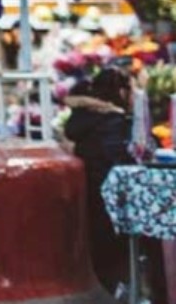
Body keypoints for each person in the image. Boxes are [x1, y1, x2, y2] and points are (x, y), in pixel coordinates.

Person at [64, 68, 132, 296]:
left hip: (92, 194)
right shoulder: (112, 121)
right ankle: (121, 287)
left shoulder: (85, 119)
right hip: (112, 196)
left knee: (102, 247)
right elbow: (118, 158)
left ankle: (114, 286)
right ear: (120, 91)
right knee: (115, 248)